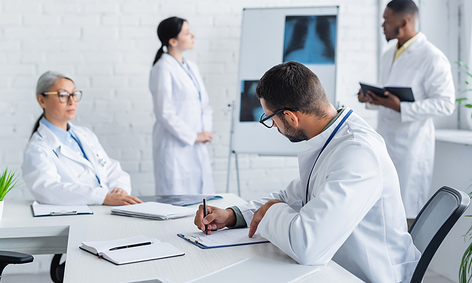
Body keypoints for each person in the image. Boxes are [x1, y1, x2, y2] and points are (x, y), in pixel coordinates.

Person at [194, 62, 420, 283]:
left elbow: (307, 245)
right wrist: (232, 215)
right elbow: (291, 197)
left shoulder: (358, 153)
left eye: (271, 119)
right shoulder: (331, 137)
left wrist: (272, 211)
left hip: (370, 275)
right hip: (339, 267)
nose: (274, 127)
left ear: (291, 117)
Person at [358, 0, 455, 224]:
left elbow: (446, 103)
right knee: (383, 210)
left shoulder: (432, 57)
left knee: (407, 213)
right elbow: (389, 95)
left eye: (386, 20)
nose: (382, 25)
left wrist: (401, 107)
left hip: (412, 147)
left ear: (404, 22)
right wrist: (372, 99)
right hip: (386, 141)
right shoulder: (387, 55)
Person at [23, 71, 142, 206]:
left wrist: (120, 190)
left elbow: (110, 168)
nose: (72, 101)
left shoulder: (85, 135)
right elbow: (48, 189)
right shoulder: (37, 148)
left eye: (74, 94)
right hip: (80, 216)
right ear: (42, 100)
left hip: (108, 209)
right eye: (63, 95)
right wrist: (102, 197)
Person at [149, 17, 215, 195]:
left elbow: (205, 104)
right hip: (175, 146)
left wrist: (204, 133)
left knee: (202, 198)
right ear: (173, 41)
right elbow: (164, 112)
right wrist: (193, 136)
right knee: (177, 200)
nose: (192, 35)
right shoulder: (162, 68)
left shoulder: (191, 67)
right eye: (186, 33)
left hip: (197, 143)